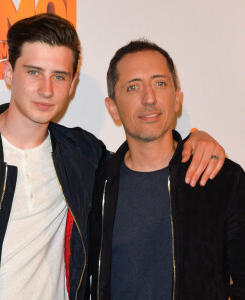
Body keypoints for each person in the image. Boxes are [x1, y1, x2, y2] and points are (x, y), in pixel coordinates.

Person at [0, 14, 225, 300]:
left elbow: (146, 156)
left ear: (72, 83)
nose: (46, 89)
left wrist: (195, 138)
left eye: (59, 76)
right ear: (8, 72)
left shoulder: (81, 154)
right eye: (33, 72)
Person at [89, 40, 245, 300]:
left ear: (176, 99)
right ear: (113, 108)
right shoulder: (95, 183)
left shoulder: (221, 178)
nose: (149, 98)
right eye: (133, 87)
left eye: (160, 83)